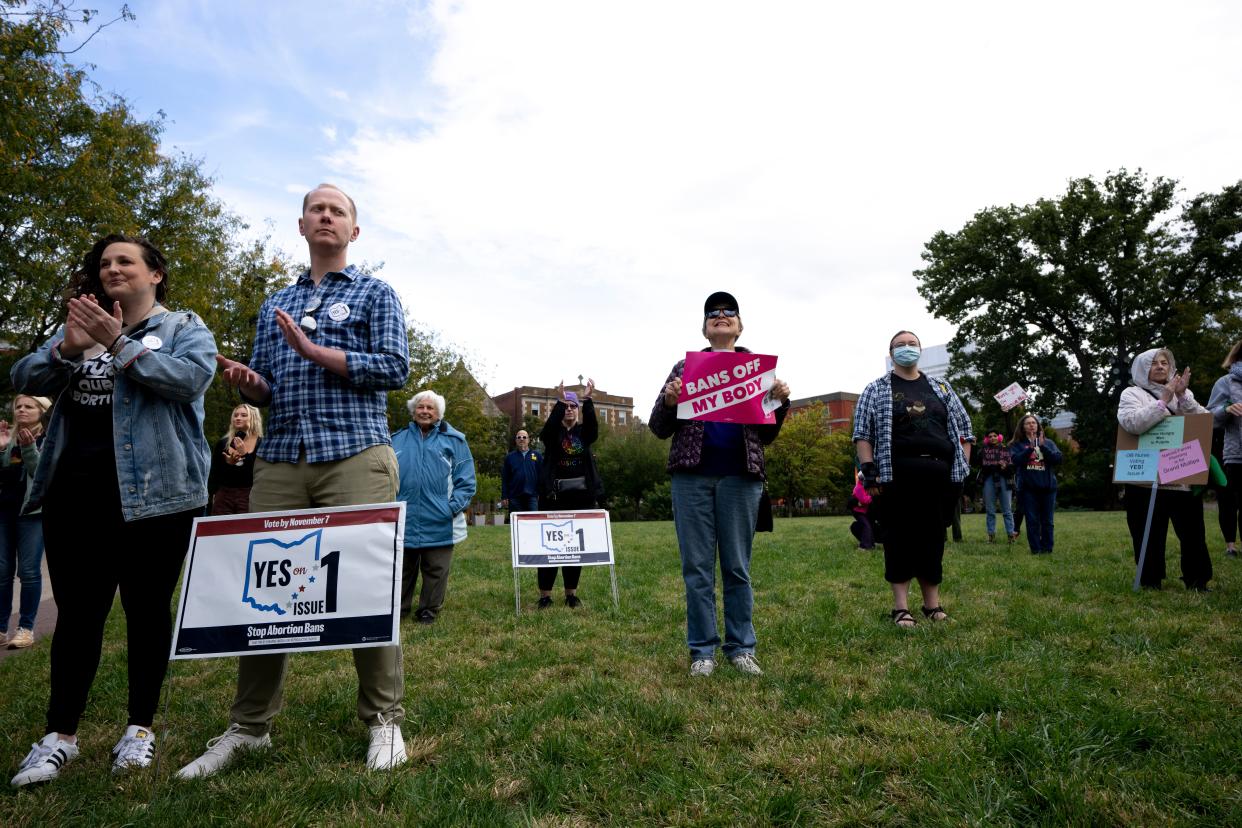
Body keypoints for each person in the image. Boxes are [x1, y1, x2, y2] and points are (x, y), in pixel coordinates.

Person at [180, 183, 411, 778]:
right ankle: (249, 726)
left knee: (368, 588)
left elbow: (393, 368)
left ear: (353, 232)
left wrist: (313, 350)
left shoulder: (375, 293)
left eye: (338, 211)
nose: (327, 216)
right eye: (317, 209)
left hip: (355, 453)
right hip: (281, 458)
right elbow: (266, 388)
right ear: (302, 225)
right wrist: (245, 381)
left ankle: (383, 721)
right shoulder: (275, 302)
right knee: (266, 592)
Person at [9, 234, 216, 786]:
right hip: (76, 495)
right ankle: (59, 738)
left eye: (125, 261)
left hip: (159, 498)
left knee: (148, 613)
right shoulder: (79, 329)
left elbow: (189, 379)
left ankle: (140, 730)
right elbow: (24, 378)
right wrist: (66, 349)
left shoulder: (182, 328)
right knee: (78, 617)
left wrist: (119, 342)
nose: (112, 269)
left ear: (156, 275)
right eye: (104, 263)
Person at [649, 291, 790, 676]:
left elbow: (769, 434)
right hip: (691, 478)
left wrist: (780, 401)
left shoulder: (755, 368)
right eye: (714, 313)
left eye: (730, 312)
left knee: (737, 568)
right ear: (705, 327)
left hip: (741, 478)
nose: (721, 316)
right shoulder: (684, 367)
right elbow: (658, 428)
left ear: (740, 326)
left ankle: (741, 648)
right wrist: (669, 401)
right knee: (697, 569)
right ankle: (703, 653)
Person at [853, 330, 973, 629]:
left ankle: (932, 605)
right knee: (899, 538)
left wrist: (962, 470)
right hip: (896, 475)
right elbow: (862, 434)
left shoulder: (942, 388)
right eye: (900, 345)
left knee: (933, 538)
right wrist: (869, 470)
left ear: (919, 349)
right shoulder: (877, 389)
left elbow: (965, 431)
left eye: (912, 344)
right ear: (890, 352)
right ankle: (901, 608)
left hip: (939, 475)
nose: (907, 348)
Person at [1119, 348, 1212, 590]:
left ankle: (1197, 580)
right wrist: (1164, 399)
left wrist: (1182, 397)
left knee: (1192, 532)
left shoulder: (1183, 393)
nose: (1160, 366)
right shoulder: (1132, 393)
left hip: (1182, 472)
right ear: (1142, 368)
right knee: (1148, 532)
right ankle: (1150, 580)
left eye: (1164, 362)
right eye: (1154, 363)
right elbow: (1133, 423)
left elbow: (1204, 422)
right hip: (1145, 478)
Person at [392, 390, 476, 624]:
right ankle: (399, 608)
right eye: (421, 407)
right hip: (404, 518)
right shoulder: (396, 439)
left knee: (436, 569)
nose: (425, 411)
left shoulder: (455, 440)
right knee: (402, 568)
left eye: (430, 408)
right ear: (413, 410)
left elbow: (466, 480)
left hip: (440, 520)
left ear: (439, 413)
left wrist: (450, 508)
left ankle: (429, 609)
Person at [536, 382, 601, 608]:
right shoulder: (554, 434)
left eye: (574, 406)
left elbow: (593, 428)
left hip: (580, 498)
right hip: (553, 498)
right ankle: (545, 595)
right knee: (550, 547)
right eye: (567, 406)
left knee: (574, 548)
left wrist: (588, 400)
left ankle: (571, 594)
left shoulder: (584, 434)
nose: (570, 409)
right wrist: (559, 402)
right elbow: (547, 431)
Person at [0, 395, 52, 650]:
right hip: (4, 513)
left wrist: (29, 448)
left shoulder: (48, 438)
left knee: (29, 572)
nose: (21, 410)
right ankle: (0, 629)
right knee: (1, 573)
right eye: (18, 406)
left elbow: (42, 474)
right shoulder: (7, 437)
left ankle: (26, 628)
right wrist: (1, 449)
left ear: (41, 411)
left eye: (28, 406)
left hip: (32, 515)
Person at [1207, 340, 1242, 557]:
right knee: (1229, 501)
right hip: (1235, 454)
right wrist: (1226, 409)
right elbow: (1208, 418)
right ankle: (1230, 544)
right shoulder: (1226, 382)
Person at [1009, 415, 1062, 554]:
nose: (1031, 425)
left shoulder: (1048, 442)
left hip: (1048, 488)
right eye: (1028, 423)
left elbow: (1058, 459)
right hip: (1028, 489)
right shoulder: (1017, 444)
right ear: (1022, 427)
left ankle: (1047, 549)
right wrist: (1029, 448)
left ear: (1038, 426)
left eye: (1034, 423)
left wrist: (1043, 447)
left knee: (1048, 521)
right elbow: (1015, 461)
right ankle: (1036, 549)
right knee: (1032, 521)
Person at [207, 403, 263, 515]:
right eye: (235, 415)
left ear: (253, 418)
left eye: (243, 415)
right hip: (224, 495)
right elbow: (214, 472)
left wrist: (245, 454)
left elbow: (260, 472)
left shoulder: (261, 443)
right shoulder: (223, 443)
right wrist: (228, 463)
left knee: (246, 530)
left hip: (249, 495)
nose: (238, 418)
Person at [978, 431, 1016, 543]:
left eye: (995, 436)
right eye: (989, 436)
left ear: (999, 437)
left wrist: (1005, 466)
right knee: (990, 510)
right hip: (989, 479)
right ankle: (991, 535)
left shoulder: (1006, 449)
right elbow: (979, 464)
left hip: (1004, 479)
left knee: (1007, 510)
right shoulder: (983, 451)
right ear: (986, 439)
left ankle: (1010, 535)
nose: (992, 438)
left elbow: (1013, 468)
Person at [501, 429, 542, 518]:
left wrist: (540, 493)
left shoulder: (537, 455)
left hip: (532, 496)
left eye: (524, 437)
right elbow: (505, 478)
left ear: (528, 440)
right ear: (516, 440)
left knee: (533, 522)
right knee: (517, 523)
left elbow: (541, 476)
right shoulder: (509, 457)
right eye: (519, 437)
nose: (521, 439)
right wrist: (504, 496)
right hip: (515, 497)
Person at [848, 471, 876, 550]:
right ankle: (864, 546)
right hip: (858, 512)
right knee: (866, 526)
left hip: (864, 511)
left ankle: (871, 544)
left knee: (869, 526)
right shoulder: (859, 488)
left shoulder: (864, 486)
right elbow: (864, 500)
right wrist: (872, 497)